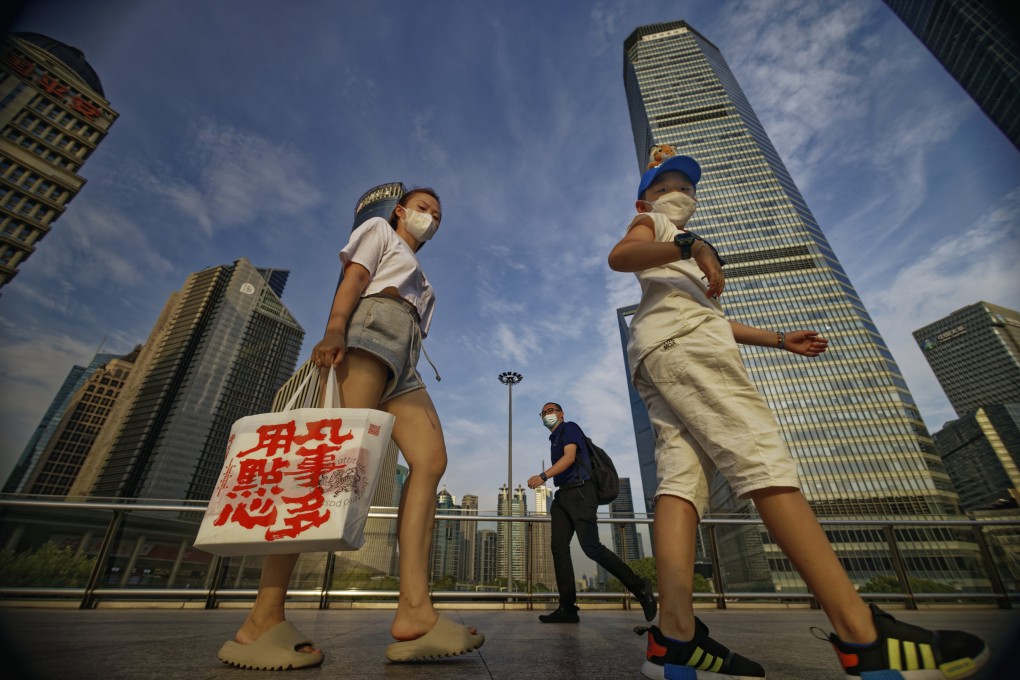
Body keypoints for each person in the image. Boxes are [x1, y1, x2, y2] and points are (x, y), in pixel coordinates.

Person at [607, 147, 989, 680]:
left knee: (680, 484)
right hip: (684, 347)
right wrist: (692, 242)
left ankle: (674, 638)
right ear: (644, 197)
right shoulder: (655, 222)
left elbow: (709, 319)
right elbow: (620, 257)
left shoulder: (674, 246)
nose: (680, 192)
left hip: (658, 352)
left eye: (687, 186)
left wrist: (778, 338)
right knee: (762, 461)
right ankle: (862, 634)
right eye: (666, 184)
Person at [218, 187, 484, 670]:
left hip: (404, 362)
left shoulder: (425, 280)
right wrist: (335, 327)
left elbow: (415, 328)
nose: (431, 218)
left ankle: (414, 612)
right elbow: (355, 277)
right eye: (423, 209)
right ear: (401, 211)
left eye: (438, 215)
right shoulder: (379, 229)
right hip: (367, 334)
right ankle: (261, 618)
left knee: (430, 461)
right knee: (323, 469)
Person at [527, 402, 657, 624]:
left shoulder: (569, 428)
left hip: (580, 491)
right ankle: (567, 608)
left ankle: (640, 587)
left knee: (591, 547)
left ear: (560, 414)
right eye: (543, 413)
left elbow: (569, 458)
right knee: (559, 548)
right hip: (563, 495)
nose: (546, 415)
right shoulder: (553, 438)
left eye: (550, 411)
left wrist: (543, 476)